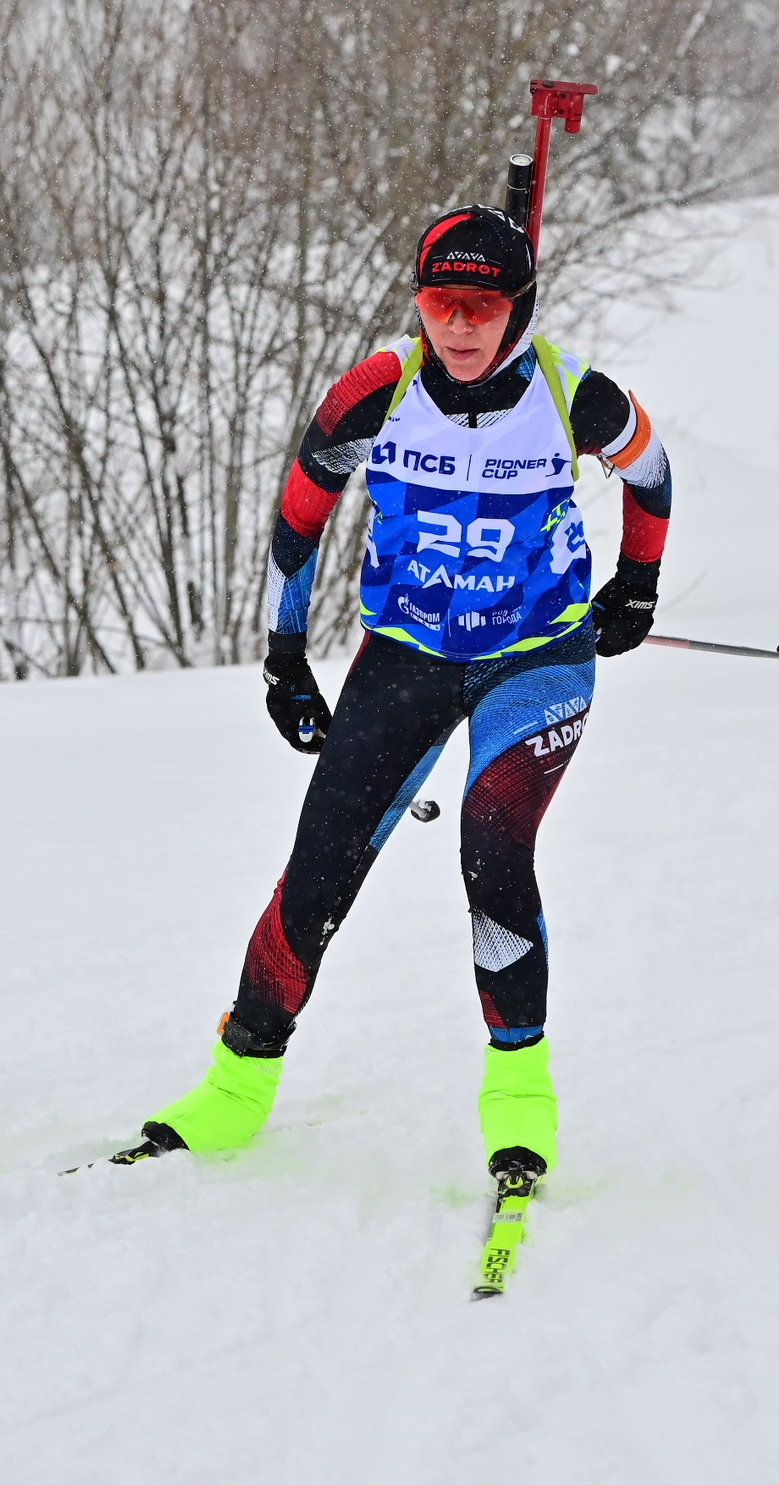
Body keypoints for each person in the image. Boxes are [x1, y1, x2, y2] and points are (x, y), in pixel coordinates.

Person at [113, 203, 673, 1227]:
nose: (457, 326)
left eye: (481, 306)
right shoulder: (380, 390)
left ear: (518, 308)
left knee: (492, 848)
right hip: (403, 657)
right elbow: (298, 513)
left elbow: (650, 470)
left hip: (533, 661)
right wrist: (285, 653)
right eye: (438, 303)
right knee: (319, 864)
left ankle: (519, 1110)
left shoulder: (570, 395)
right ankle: (233, 1094)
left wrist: (635, 587)